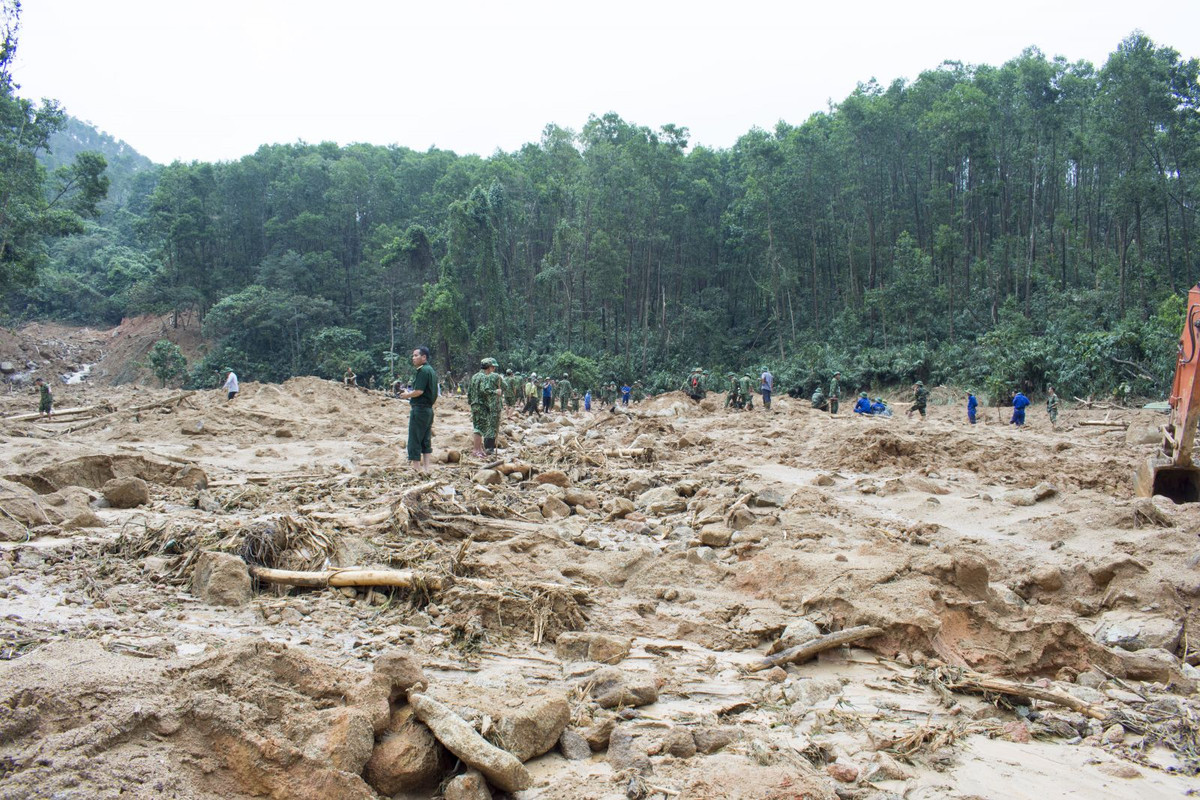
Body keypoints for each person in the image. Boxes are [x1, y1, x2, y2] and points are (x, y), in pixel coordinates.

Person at [398, 346, 438, 472]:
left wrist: (407, 395)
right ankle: (426, 468)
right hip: (428, 410)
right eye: (413, 356)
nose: (413, 358)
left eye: (416, 355)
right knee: (426, 439)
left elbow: (419, 391)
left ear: (424, 357)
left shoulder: (422, 371)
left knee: (415, 438)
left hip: (419, 409)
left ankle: (416, 469)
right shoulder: (431, 370)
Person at [468, 358, 504, 456]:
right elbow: (484, 390)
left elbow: (469, 391)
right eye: (492, 367)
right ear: (488, 367)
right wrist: (495, 392)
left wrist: (471, 402)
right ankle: (476, 450)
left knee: (478, 426)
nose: (493, 370)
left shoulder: (474, 376)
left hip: (474, 404)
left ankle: (479, 449)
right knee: (479, 428)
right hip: (481, 405)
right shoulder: (484, 377)